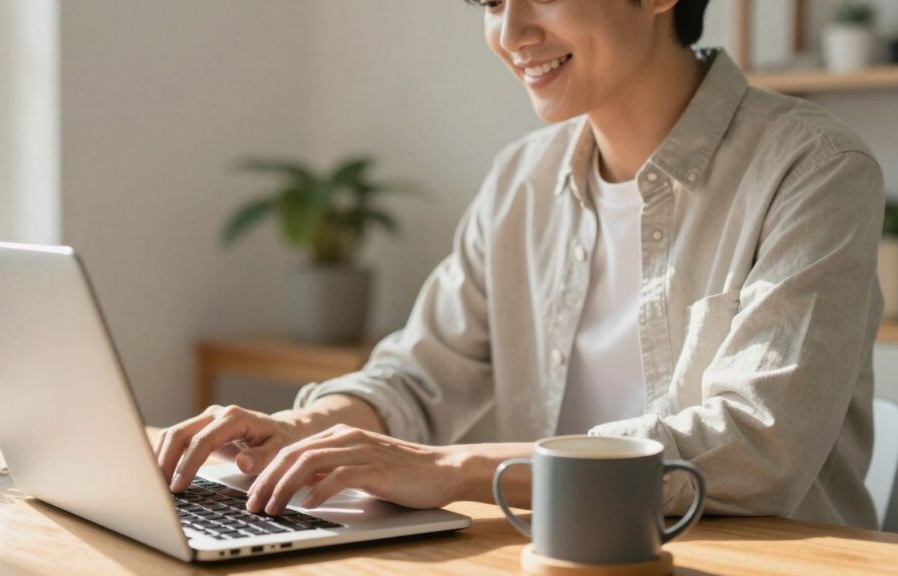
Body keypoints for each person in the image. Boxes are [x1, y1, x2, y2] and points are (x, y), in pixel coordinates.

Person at [155, 0, 884, 529]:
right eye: (490, 1)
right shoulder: (520, 181)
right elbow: (418, 377)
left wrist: (452, 470)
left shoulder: (813, 168)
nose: (510, 34)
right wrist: (304, 429)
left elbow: (757, 447)